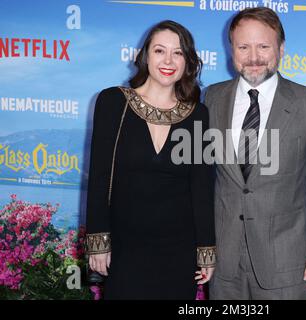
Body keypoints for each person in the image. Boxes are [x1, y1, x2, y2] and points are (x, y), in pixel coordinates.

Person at [204, 7, 306, 299]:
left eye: (263, 46)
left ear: (281, 49)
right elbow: (200, 178)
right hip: (223, 264)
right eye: (244, 47)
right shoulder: (212, 97)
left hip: (287, 262)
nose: (254, 57)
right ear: (232, 50)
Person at [85, 20, 215, 300]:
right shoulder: (113, 102)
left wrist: (206, 251)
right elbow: (99, 177)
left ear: (187, 61)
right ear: (144, 56)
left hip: (178, 251)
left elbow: (202, 188)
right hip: (125, 248)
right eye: (159, 51)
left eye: (178, 53)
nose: (168, 60)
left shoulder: (198, 115)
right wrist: (98, 241)